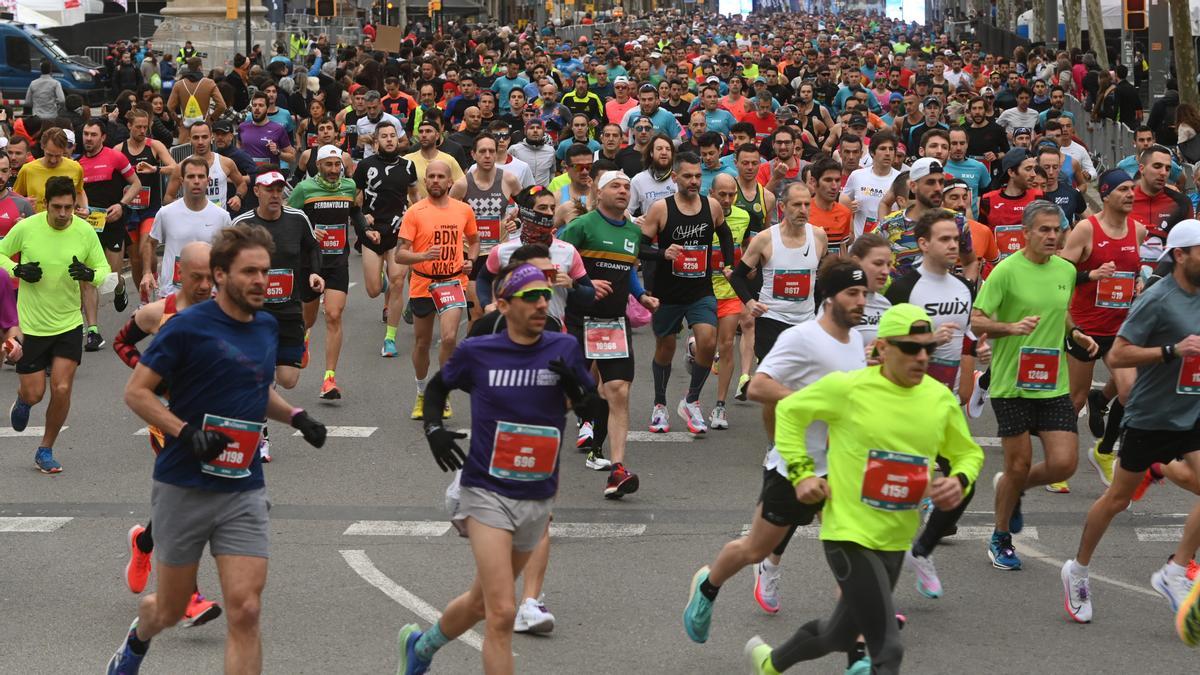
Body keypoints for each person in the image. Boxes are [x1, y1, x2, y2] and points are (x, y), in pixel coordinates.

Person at [105, 225, 327, 675]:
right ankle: (138, 636)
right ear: (221, 275)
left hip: (243, 486)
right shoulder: (185, 327)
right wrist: (186, 433)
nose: (262, 281)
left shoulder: (265, 326)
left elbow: (255, 388)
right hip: (184, 483)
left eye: (265, 271)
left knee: (245, 609)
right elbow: (137, 393)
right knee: (167, 610)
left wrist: (297, 417)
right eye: (250, 272)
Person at [744, 303, 983, 675]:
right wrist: (803, 472)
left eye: (928, 349)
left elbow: (967, 452)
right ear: (883, 348)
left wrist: (960, 479)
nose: (922, 357)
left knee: (838, 634)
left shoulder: (938, 399)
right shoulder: (848, 388)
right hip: (849, 534)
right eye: (910, 348)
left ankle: (771, 663)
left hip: (896, 539)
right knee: (886, 646)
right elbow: (791, 413)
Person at [397, 262, 601, 675]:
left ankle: (422, 646)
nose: (542, 304)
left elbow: (595, 410)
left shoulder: (563, 349)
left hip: (538, 493)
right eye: (531, 297)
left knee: (479, 601)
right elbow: (439, 386)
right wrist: (434, 427)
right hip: (485, 490)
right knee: (503, 611)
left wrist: (577, 388)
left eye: (545, 296)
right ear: (504, 305)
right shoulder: (478, 351)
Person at [684, 262, 869, 646]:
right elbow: (757, 387)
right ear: (830, 297)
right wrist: (807, 400)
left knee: (853, 552)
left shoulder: (855, 341)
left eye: (864, 293)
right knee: (755, 548)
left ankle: (861, 641)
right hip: (794, 466)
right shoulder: (802, 339)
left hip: (839, 468)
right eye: (853, 293)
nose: (861, 300)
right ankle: (708, 586)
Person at [1061, 218, 1200, 625]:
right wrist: (1171, 350)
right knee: (1118, 500)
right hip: (1151, 416)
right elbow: (1119, 355)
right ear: (1180, 255)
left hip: (1191, 410)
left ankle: (1175, 570)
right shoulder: (1157, 299)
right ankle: (1078, 569)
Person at [972, 200, 1099, 571]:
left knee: (1064, 464)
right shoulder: (1006, 271)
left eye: (1056, 229)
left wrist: (1076, 332)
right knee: (1018, 463)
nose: (1052, 236)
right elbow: (978, 321)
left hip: (1053, 382)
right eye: (1043, 229)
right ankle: (1000, 537)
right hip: (1012, 383)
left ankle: (1014, 488)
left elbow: (1059, 309)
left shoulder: (1065, 269)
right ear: (1025, 233)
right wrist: (1010, 328)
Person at [113, 241, 223, 628]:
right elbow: (121, 342)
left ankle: (145, 541)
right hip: (167, 423)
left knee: (188, 501)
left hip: (210, 421)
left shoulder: (224, 313)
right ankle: (189, 596)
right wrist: (151, 377)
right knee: (187, 504)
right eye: (199, 277)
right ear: (180, 275)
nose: (207, 285)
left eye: (213, 277)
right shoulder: (159, 313)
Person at [885, 210, 991, 598]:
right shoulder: (904, 287)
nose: (953, 246)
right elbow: (884, 343)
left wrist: (978, 348)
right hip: (900, 400)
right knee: (894, 493)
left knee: (964, 483)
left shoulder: (964, 288)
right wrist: (926, 341)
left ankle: (921, 551)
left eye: (956, 239)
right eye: (944, 239)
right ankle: (873, 592)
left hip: (940, 401)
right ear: (924, 243)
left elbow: (965, 338)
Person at [557, 170, 659, 498]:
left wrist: (641, 295)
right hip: (578, 320)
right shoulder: (581, 226)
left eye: (627, 186)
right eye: (615, 185)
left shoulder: (632, 230)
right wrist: (582, 283)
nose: (623, 190)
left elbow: (626, 268)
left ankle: (617, 469)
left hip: (613, 322)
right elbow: (557, 265)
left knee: (618, 390)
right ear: (599, 193)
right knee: (569, 395)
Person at [1, 176, 111, 474]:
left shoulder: (84, 231)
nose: (64, 214)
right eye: (58, 207)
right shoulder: (27, 228)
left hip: (68, 323)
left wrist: (89, 273)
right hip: (32, 326)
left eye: (70, 208)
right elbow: (0, 252)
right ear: (44, 205)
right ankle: (23, 401)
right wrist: (17, 269)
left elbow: (104, 270)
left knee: (61, 388)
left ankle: (45, 449)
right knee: (35, 393)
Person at [1060, 170, 1146, 492]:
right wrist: (1091, 275)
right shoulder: (1086, 229)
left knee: (1129, 391)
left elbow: (1134, 269)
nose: (1130, 194)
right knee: (1076, 399)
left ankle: (1105, 451)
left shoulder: (1137, 230)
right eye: (1123, 189)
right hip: (1086, 328)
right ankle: (1061, 461)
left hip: (1119, 327)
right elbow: (1062, 272)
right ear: (1106, 194)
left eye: (1132, 189)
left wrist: (1137, 282)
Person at [640, 153, 734, 435]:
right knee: (665, 349)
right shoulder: (661, 209)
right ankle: (659, 405)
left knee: (707, 341)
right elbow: (639, 247)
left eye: (697, 176)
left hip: (700, 290)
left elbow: (726, 235)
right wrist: (661, 253)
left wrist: (729, 264)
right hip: (667, 292)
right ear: (675, 177)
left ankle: (691, 401)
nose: (694, 181)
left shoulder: (712, 206)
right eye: (688, 176)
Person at [396, 160, 479, 419]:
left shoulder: (463, 210)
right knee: (422, 342)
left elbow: (475, 241)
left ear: (449, 181)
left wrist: (471, 260)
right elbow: (400, 255)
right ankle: (422, 392)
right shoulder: (415, 212)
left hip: (453, 282)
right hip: (423, 283)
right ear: (425, 181)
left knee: (450, 337)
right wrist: (422, 256)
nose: (435, 180)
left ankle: (441, 392)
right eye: (430, 176)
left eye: (440, 176)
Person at [288, 145, 361, 400]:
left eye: (336, 165)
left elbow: (354, 212)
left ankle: (329, 378)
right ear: (318, 166)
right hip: (310, 264)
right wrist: (308, 234)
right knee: (308, 318)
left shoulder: (349, 187)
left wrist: (366, 232)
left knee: (333, 314)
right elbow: (288, 219)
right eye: (328, 165)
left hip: (337, 261)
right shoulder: (304, 189)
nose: (333, 170)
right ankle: (304, 336)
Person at [352, 121, 418, 355]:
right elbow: (354, 199)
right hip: (373, 231)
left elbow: (414, 196)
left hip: (399, 230)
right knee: (372, 289)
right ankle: (384, 283)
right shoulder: (365, 166)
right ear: (376, 140)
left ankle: (390, 339)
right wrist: (363, 217)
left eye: (393, 135)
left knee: (399, 281)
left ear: (398, 139)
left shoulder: (408, 166)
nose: (389, 140)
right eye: (384, 136)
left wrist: (417, 218)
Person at [79, 119, 141, 344]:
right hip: (88, 228)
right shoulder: (77, 163)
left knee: (110, 279)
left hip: (113, 223)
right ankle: (93, 330)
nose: (88, 138)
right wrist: (79, 212)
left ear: (103, 137)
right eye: (85, 134)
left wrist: (122, 205)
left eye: (93, 134)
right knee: (88, 279)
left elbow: (136, 183)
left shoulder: (115, 157)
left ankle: (120, 288)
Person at [450, 134, 522, 322]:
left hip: (499, 254)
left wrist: (518, 221)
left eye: (491, 150)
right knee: (477, 314)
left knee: (499, 312)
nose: (488, 155)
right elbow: (447, 216)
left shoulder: (509, 179)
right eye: (482, 151)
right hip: (471, 255)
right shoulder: (462, 185)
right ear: (473, 154)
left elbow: (528, 207)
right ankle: (472, 350)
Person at [141, 157, 234, 301]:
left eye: (201, 176)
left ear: (208, 181)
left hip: (209, 295)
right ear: (182, 181)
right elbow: (149, 243)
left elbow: (229, 255)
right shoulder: (166, 213)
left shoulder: (222, 216)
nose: (196, 181)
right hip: (171, 294)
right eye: (191, 176)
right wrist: (147, 272)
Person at [705, 174, 754, 429]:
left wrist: (746, 266)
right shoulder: (701, 215)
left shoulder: (744, 217)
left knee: (726, 345)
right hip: (702, 292)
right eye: (721, 194)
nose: (726, 200)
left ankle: (720, 407)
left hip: (730, 291)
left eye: (731, 195)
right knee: (703, 345)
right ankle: (693, 396)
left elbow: (746, 245)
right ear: (711, 192)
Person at [118, 108, 177, 305]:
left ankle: (151, 272)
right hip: (129, 210)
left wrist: (156, 169)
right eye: (138, 127)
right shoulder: (119, 150)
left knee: (146, 249)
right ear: (129, 126)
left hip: (151, 208)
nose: (143, 131)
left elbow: (175, 168)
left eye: (145, 127)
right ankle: (143, 298)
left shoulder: (154, 146)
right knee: (135, 258)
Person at [163, 122, 248, 213]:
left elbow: (241, 184)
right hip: (192, 221)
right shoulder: (181, 167)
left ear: (211, 137)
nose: (200, 142)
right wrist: (185, 205)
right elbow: (168, 198)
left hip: (218, 222)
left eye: (204, 137)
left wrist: (238, 197)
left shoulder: (226, 163)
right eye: (196, 138)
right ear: (190, 139)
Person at [13, 126, 86, 214]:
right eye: (49, 155)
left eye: (58, 155)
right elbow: (14, 199)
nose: (53, 160)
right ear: (42, 146)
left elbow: (79, 192)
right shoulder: (27, 170)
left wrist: (85, 209)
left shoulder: (76, 168)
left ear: (64, 150)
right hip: (37, 224)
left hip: (66, 224)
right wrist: (24, 203)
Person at [841, 131, 900, 237]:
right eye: (882, 148)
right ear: (872, 152)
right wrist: (849, 207)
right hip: (859, 244)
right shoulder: (857, 175)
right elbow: (841, 204)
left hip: (888, 244)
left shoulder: (901, 179)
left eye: (891, 149)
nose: (887, 153)